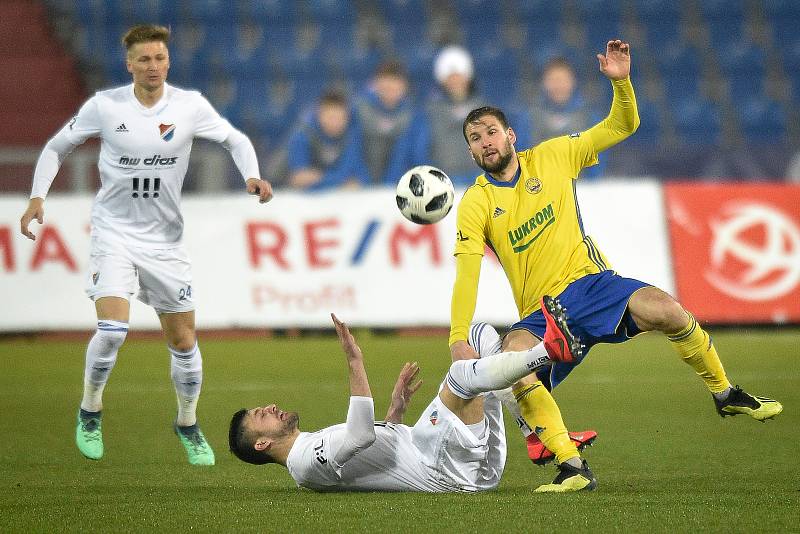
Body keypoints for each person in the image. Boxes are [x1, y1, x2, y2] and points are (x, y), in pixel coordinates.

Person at [449, 40, 783, 491]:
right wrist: (457, 339)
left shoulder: (553, 156)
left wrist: (621, 84)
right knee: (513, 360)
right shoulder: (476, 202)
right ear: (471, 152)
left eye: (490, 132)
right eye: (475, 138)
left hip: (593, 285)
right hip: (544, 309)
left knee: (665, 308)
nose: (485, 142)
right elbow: (467, 272)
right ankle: (571, 467)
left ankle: (725, 393)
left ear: (510, 136)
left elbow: (623, 124)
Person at [18, 24, 274, 465]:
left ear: (168, 61)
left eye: (159, 58)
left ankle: (188, 423)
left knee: (184, 341)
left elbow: (235, 138)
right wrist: (37, 197)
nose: (153, 66)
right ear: (129, 64)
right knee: (113, 331)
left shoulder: (189, 106)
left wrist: (251, 173)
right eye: (144, 60)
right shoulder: (106, 106)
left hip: (165, 242)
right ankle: (90, 410)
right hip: (113, 233)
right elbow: (56, 147)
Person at [228, 305, 589, 493]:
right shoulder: (305, 464)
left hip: (453, 460)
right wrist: (355, 361)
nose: (271, 408)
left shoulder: (310, 448)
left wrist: (393, 415)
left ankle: (534, 433)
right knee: (463, 374)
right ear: (261, 443)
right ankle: (550, 348)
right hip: (443, 468)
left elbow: (371, 453)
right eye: (262, 415)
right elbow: (359, 437)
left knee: (478, 336)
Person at [524, 56, 605, 179]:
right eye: (553, 80)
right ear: (544, 83)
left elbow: (599, 159)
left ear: (572, 81)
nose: (558, 86)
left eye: (562, 80)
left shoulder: (589, 117)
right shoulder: (529, 117)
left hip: (581, 188)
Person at [419, 46, 486, 186]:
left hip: (480, 181)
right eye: (450, 77)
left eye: (459, 76)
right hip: (442, 182)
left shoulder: (486, 109)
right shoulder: (429, 111)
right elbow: (421, 149)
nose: (455, 81)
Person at [353, 60, 426, 185]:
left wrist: (391, 182)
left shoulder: (413, 114)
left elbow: (411, 153)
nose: (390, 88)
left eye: (395, 84)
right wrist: (362, 179)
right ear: (376, 83)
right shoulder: (360, 110)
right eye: (386, 84)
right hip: (362, 184)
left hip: (398, 184)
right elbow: (353, 148)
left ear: (404, 86)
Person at [286, 89, 369, 191]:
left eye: (340, 118)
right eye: (330, 117)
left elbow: (361, 177)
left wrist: (318, 177)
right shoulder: (302, 134)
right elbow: (298, 179)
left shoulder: (353, 135)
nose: (335, 123)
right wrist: (339, 181)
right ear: (319, 114)